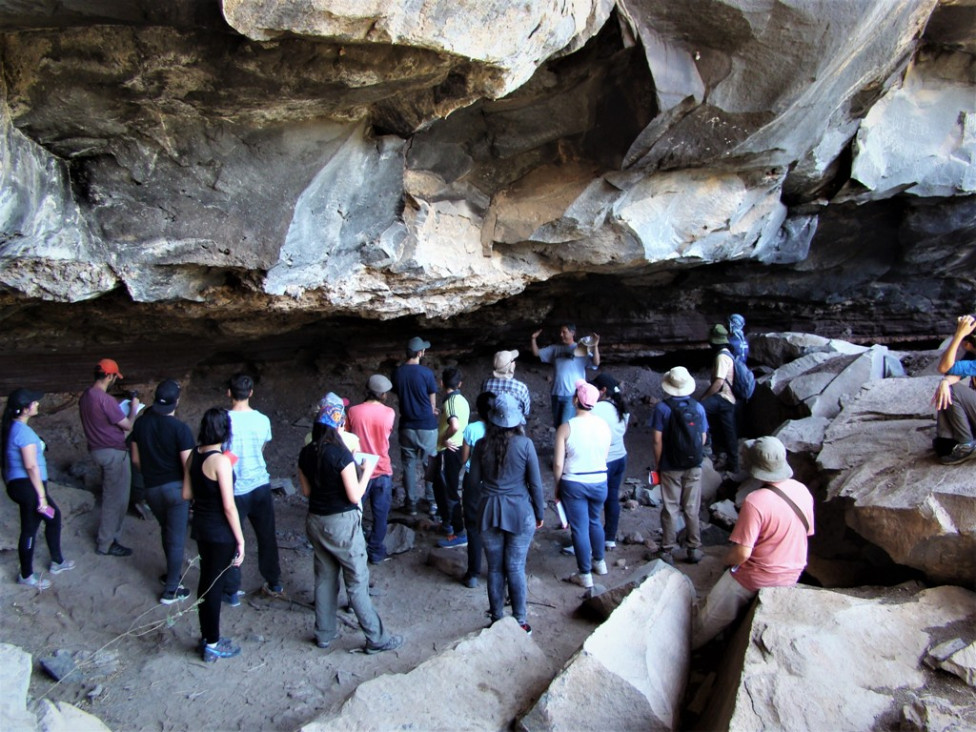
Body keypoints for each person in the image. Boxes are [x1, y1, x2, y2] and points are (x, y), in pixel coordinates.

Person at [298, 397, 403, 654]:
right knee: (356, 581)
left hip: (316, 521)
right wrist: (367, 469)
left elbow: (306, 491)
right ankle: (376, 638)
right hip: (341, 524)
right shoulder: (341, 455)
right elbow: (355, 495)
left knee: (324, 577)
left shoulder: (306, 452)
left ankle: (324, 633)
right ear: (340, 424)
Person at [692, 436, 814, 649]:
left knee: (708, 616)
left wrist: (725, 560)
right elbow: (806, 533)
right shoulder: (801, 490)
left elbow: (742, 554)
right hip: (794, 570)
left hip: (760, 574)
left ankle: (689, 649)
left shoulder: (756, 501)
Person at [468, 393, 544, 634]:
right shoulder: (525, 445)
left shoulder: (481, 445)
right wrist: (540, 513)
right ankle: (520, 621)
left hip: (489, 511)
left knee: (494, 569)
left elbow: (472, 482)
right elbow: (536, 484)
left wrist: (472, 512)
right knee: (515, 566)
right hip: (520, 512)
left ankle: (497, 618)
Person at [183, 408, 246, 663]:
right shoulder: (220, 461)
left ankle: (209, 636)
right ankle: (211, 642)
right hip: (220, 531)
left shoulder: (193, 456)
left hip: (201, 527)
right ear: (225, 430)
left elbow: (186, 494)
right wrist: (240, 540)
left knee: (207, 582)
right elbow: (229, 506)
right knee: (213, 587)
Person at [129, 380, 195, 604]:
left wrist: (152, 471)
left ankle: (171, 574)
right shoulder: (180, 429)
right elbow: (188, 464)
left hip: (152, 488)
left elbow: (136, 459)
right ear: (177, 401)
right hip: (176, 490)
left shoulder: (141, 424)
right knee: (176, 537)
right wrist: (191, 491)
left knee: (166, 530)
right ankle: (171, 590)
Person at [3, 389, 75, 589]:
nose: (37, 404)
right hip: (29, 487)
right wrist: (41, 496)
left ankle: (56, 562)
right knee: (31, 527)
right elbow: (31, 466)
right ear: (25, 409)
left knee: (51, 518)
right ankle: (27, 574)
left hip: (24, 486)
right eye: (34, 403)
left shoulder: (15, 427)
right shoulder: (23, 432)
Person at [223, 373, 283, 604]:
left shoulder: (223, 420)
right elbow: (262, 447)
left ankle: (231, 590)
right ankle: (274, 580)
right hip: (259, 483)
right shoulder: (262, 420)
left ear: (229, 392)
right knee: (266, 535)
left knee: (232, 538)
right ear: (251, 393)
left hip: (234, 487)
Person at [79, 358, 140, 557]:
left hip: (97, 449)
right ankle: (106, 543)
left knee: (113, 495)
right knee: (116, 499)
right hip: (113, 452)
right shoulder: (104, 399)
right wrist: (134, 409)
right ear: (110, 376)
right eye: (115, 376)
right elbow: (128, 425)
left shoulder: (86, 396)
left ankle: (108, 539)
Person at [554, 379, 611, 589]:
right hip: (599, 480)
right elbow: (604, 455)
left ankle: (585, 574)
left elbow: (559, 463)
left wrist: (557, 485)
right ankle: (600, 563)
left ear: (575, 400)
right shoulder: (603, 425)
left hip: (574, 482)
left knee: (579, 528)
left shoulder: (566, 427)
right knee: (595, 521)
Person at [651, 367, 709, 564]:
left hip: (670, 464)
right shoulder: (698, 408)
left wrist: (659, 464)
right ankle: (694, 548)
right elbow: (702, 437)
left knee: (670, 507)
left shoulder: (662, 408)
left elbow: (657, 440)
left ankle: (667, 550)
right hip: (694, 464)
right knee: (692, 507)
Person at [346, 375, 396, 564]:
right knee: (380, 516)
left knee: (353, 512)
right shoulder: (389, 413)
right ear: (383, 394)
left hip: (359, 468)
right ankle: (375, 552)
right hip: (382, 468)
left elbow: (350, 437)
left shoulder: (353, 411)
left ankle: (353, 551)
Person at [391, 336, 439, 517]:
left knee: (409, 466)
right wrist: (432, 409)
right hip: (427, 425)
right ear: (420, 353)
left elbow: (399, 393)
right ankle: (433, 502)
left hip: (407, 425)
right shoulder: (426, 373)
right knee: (430, 465)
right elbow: (431, 395)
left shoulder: (397, 373)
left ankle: (410, 504)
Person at [531, 323, 601, 427]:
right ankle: (560, 443)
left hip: (572, 395)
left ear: (572, 333)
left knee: (565, 425)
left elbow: (596, 362)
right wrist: (533, 339)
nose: (561, 334)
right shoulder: (555, 348)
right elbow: (536, 353)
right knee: (557, 425)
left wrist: (595, 346)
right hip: (556, 393)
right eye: (560, 332)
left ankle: (565, 443)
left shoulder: (581, 349)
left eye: (564, 332)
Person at [590, 373, 629, 550]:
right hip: (620, 457)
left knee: (593, 502)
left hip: (604, 460)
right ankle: (609, 538)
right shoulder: (622, 408)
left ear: (603, 390)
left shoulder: (597, 409)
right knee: (612, 498)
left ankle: (591, 541)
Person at [458, 391, 493, 588]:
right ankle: (497, 571)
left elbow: (464, 459)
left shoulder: (471, 429)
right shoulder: (500, 429)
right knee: (494, 526)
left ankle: (473, 574)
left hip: (473, 479)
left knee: (473, 526)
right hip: (494, 480)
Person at [434, 367, 470, 548]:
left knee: (450, 491)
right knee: (450, 487)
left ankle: (458, 532)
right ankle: (449, 523)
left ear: (442, 383)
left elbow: (454, 425)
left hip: (450, 450)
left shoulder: (450, 403)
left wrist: (444, 438)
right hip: (458, 448)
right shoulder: (461, 400)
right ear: (460, 384)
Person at [933, 314, 976, 465]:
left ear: (966, 344)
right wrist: (944, 382)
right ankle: (948, 442)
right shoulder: (972, 359)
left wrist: (958, 335)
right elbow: (952, 374)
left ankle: (965, 445)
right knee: (946, 389)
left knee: (952, 392)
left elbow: (944, 367)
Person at [698, 325, 739, 473]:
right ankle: (732, 463)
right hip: (730, 399)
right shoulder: (728, 353)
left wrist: (703, 398)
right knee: (728, 431)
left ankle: (701, 448)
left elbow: (718, 383)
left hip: (723, 397)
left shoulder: (721, 357)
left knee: (698, 410)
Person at [481, 350, 531, 417]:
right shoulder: (521, 388)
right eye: (512, 361)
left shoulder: (486, 384)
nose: (514, 362)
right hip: (514, 423)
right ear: (510, 367)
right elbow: (526, 412)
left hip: (492, 420)